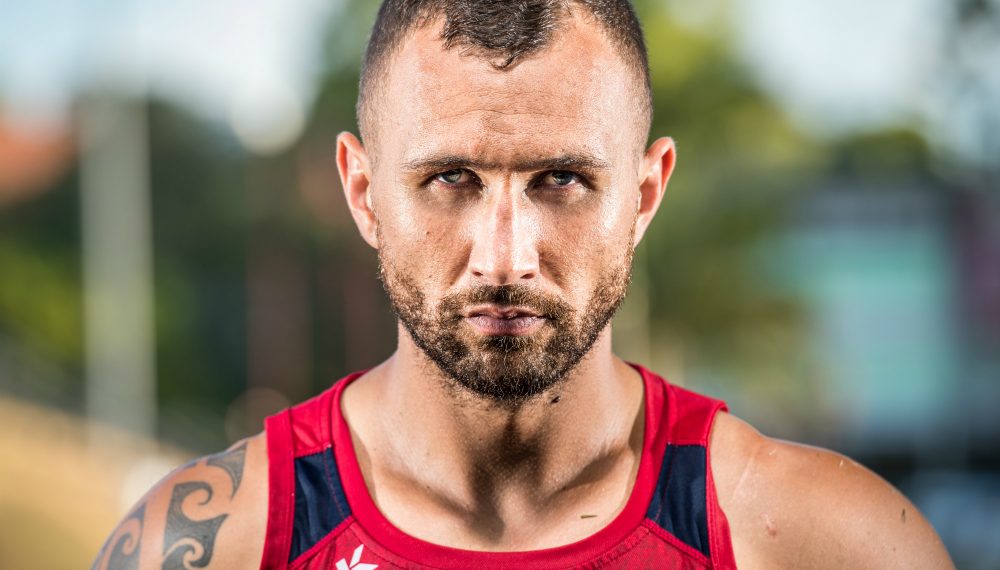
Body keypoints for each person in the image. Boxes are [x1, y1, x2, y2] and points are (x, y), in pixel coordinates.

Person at [92, 1, 955, 568]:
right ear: (363, 193)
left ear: (644, 196)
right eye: (450, 179)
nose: (505, 259)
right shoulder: (213, 544)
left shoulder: (823, 543)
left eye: (561, 180)